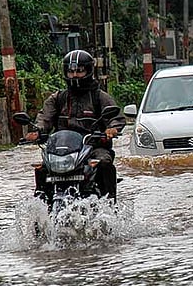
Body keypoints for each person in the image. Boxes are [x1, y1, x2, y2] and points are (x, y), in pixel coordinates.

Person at [25, 49, 126, 200]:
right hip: (62, 150)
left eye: (79, 71)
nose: (74, 75)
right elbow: (44, 118)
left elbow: (116, 117)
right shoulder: (58, 98)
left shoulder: (99, 97)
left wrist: (111, 129)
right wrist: (37, 131)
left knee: (104, 163)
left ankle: (110, 204)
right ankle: (40, 205)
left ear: (89, 71)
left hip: (93, 147)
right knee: (42, 168)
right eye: (71, 71)